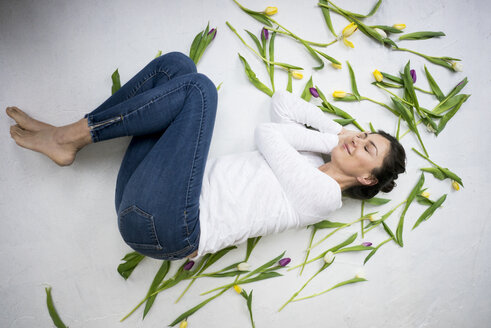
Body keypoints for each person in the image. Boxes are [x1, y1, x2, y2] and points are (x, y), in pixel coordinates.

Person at [6, 51, 406, 262]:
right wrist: (339, 131)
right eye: (364, 135)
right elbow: (282, 103)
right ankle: (67, 137)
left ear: (369, 179)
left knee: (200, 90)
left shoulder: (324, 197)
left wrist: (333, 140)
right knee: (176, 68)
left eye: (367, 148)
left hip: (170, 229)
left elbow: (268, 133)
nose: (358, 141)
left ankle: (67, 137)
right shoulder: (311, 155)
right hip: (147, 198)